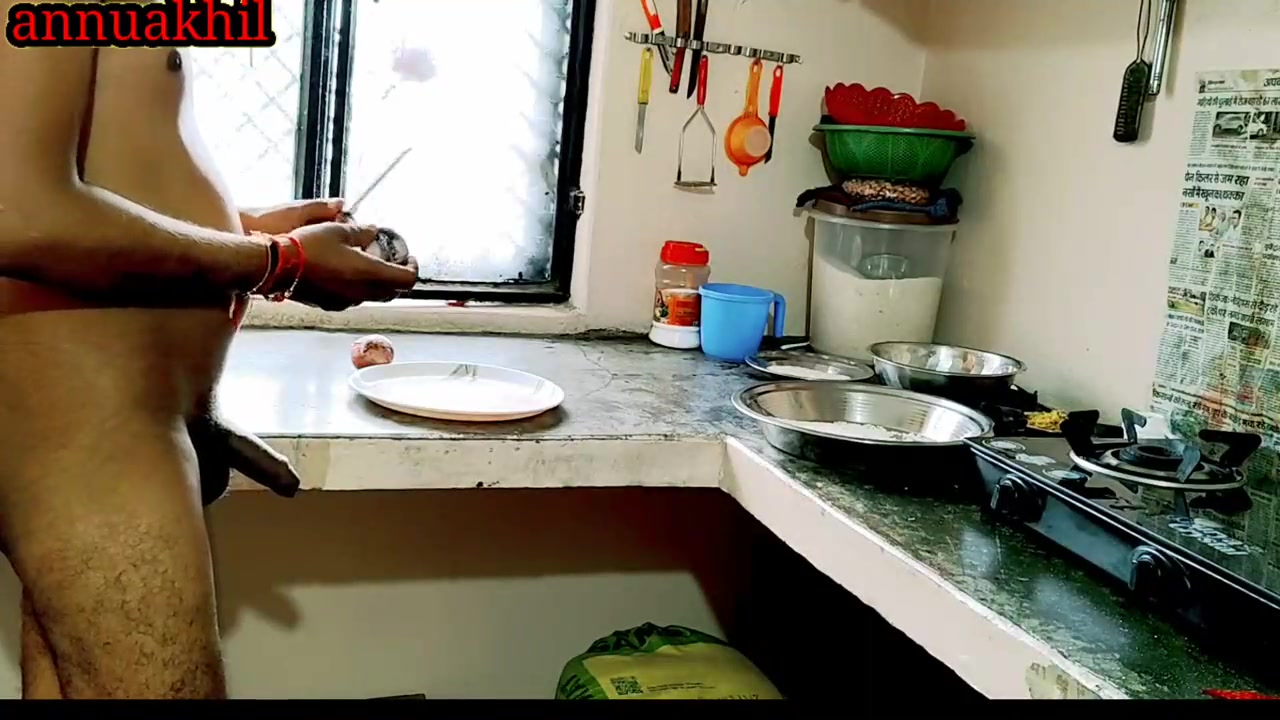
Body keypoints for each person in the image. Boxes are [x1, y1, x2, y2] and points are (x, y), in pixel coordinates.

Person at [0, 5, 420, 699]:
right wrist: (279, 261)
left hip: (117, 415)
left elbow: (102, 167)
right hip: (88, 428)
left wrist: (243, 228)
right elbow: (17, 214)